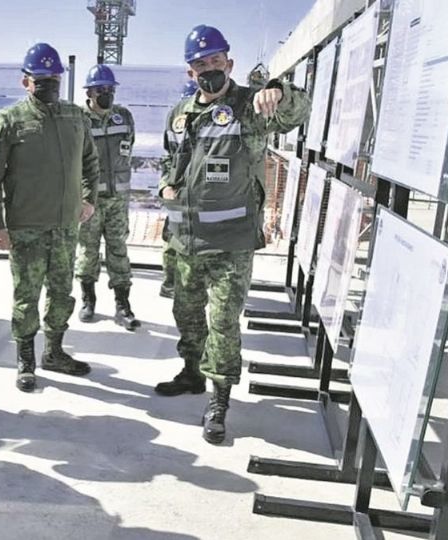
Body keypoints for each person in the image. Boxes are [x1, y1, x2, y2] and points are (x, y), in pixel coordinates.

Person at [153, 25, 310, 445]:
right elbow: (173, 159)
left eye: (215, 62)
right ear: (190, 72)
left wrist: (278, 91)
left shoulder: (250, 107)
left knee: (222, 321)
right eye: (200, 65)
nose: (209, 70)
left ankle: (219, 399)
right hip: (184, 238)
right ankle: (191, 373)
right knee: (186, 313)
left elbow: (297, 113)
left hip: (231, 241)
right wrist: (167, 185)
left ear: (230, 64)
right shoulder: (181, 113)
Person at [0, 42, 99, 392]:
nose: (48, 84)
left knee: (62, 293)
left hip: (65, 227)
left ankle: (55, 352)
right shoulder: (8, 120)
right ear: (25, 82)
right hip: (25, 227)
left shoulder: (76, 117)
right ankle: (26, 358)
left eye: (53, 78)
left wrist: (89, 199)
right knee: (26, 295)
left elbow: (90, 163)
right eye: (40, 78)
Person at [75, 63, 139, 331]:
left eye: (110, 89)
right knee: (87, 251)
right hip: (89, 201)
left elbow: (128, 148)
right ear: (89, 92)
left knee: (118, 251)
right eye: (101, 89)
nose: (107, 94)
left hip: (117, 201)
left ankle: (122, 305)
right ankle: (88, 300)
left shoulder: (123, 116)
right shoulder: (78, 120)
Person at [159, 79, 199, 300]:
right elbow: (167, 158)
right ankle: (170, 282)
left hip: (201, 195)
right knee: (172, 239)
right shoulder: (175, 122)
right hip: (178, 192)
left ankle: (190, 283)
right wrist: (166, 185)